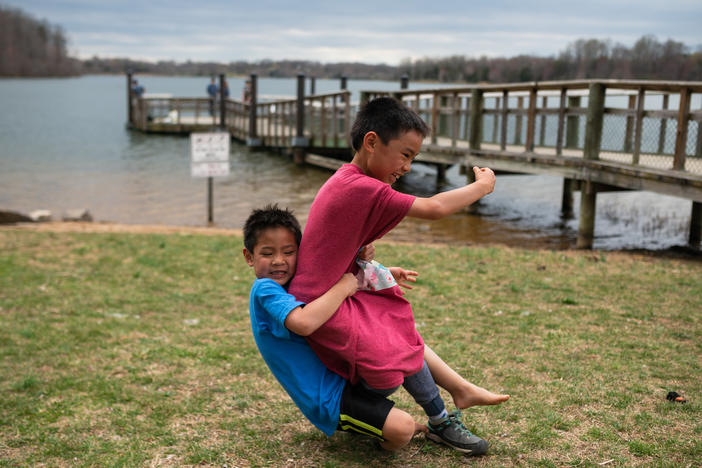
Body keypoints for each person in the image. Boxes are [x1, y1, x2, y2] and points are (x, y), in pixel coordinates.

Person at [288, 96, 500, 453]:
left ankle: (441, 417)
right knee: (393, 346)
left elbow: (332, 242)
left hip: (336, 293)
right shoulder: (359, 186)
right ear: (371, 142)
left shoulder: (350, 180)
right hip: (322, 305)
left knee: (397, 329)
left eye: (413, 157)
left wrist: (366, 260)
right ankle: (437, 419)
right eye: (405, 154)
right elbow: (433, 208)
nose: (408, 167)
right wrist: (482, 187)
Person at [243, 205, 508, 453]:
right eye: (268, 253)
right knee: (402, 431)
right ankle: (398, 426)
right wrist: (345, 287)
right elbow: (303, 322)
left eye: (289, 252)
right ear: (249, 256)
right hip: (331, 401)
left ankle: (447, 408)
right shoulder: (265, 289)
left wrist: (375, 270)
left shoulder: (295, 284)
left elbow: (327, 279)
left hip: (347, 375)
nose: (279, 261)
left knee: (400, 341)